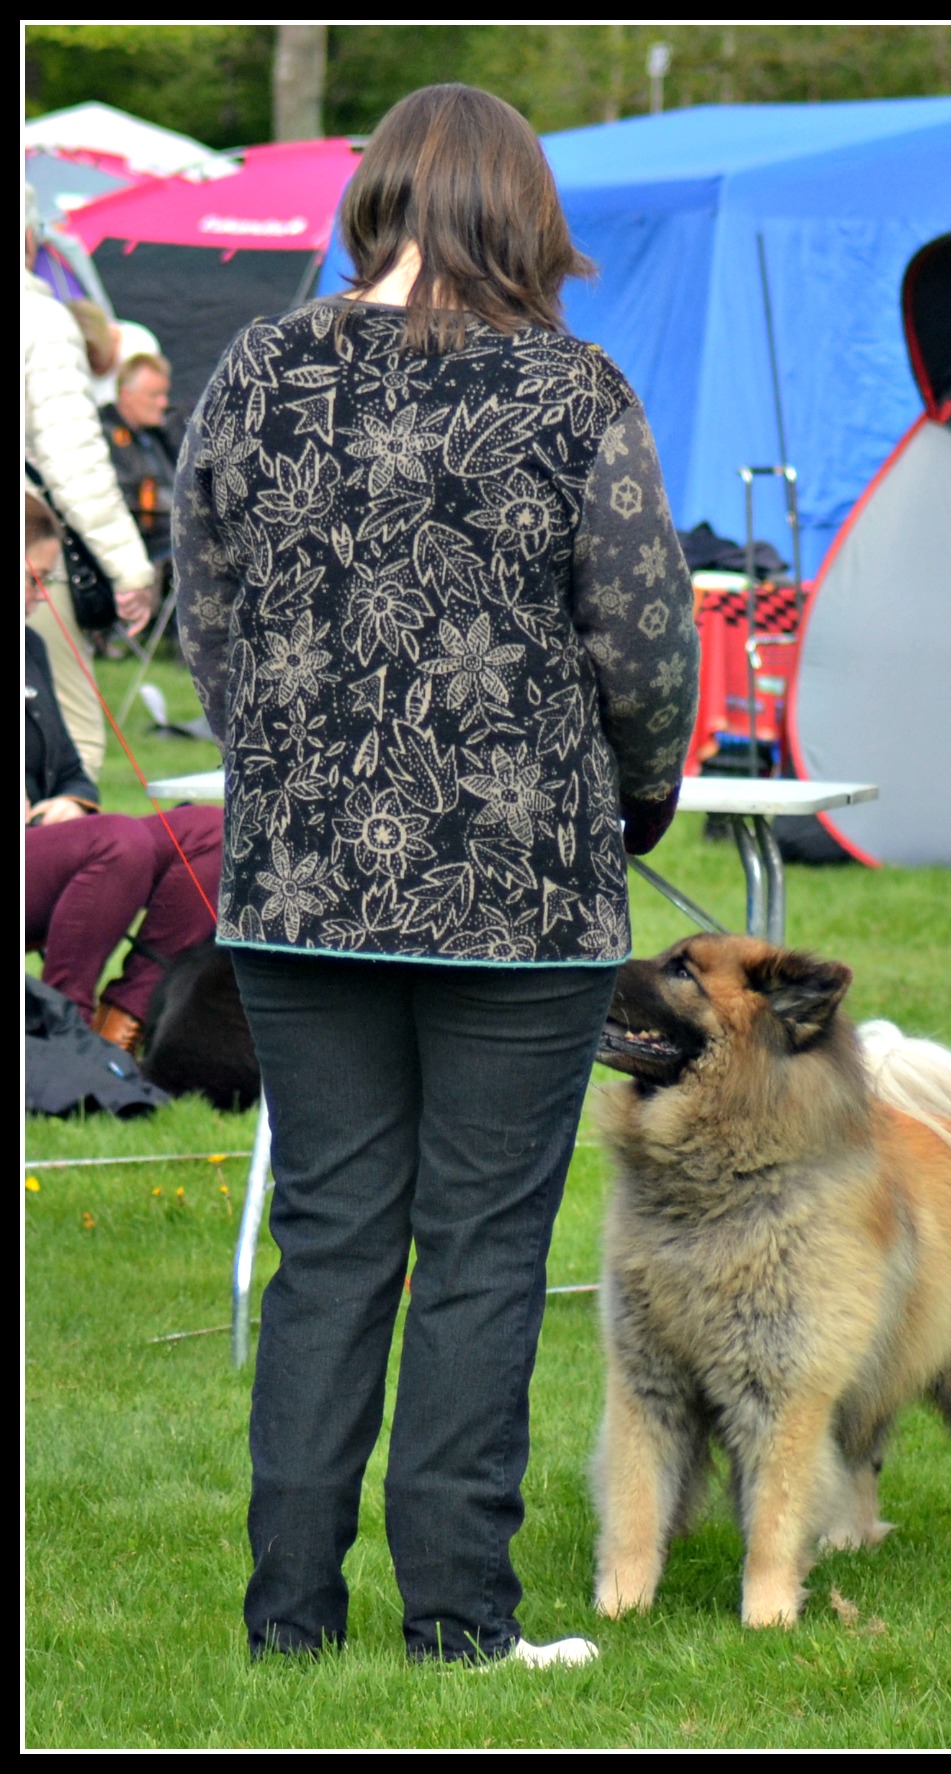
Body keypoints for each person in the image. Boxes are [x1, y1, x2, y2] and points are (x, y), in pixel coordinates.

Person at [173, 83, 699, 1668]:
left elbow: (209, 615)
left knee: (333, 1239)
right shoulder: (572, 390)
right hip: (519, 892)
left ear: (378, 200)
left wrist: (282, 770)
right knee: (479, 1251)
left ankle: (291, 1623)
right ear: (524, 215)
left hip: (302, 882)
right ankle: (460, 1618)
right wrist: (636, 801)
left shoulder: (257, 371)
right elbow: (645, 641)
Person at [25, 493, 223, 1052]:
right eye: (34, 579)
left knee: (209, 832)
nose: (42, 597)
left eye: (48, 582)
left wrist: (72, 802)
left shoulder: (30, 648)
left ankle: (122, 1025)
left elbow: (71, 770)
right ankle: (60, 1030)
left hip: (42, 847)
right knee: (117, 839)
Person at [24, 182, 156, 779]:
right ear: (29, 239)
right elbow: (73, 459)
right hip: (30, 544)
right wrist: (131, 569)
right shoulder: (40, 320)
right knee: (69, 738)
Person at [101, 352, 178, 562]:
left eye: (164, 394)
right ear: (126, 395)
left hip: (172, 543)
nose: (163, 403)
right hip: (144, 551)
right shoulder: (105, 438)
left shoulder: (157, 436)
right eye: (154, 395)